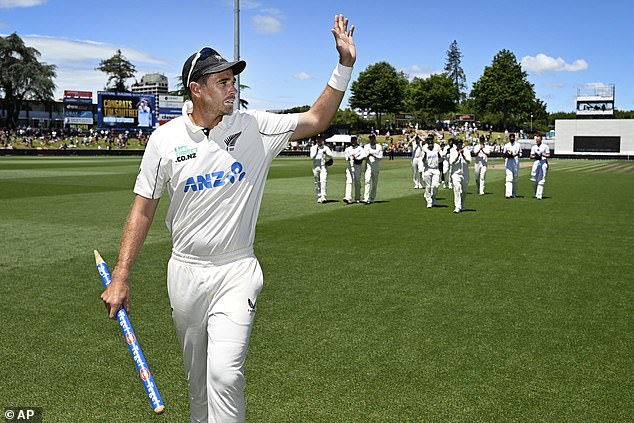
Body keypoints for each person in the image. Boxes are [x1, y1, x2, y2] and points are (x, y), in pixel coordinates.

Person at [100, 15, 356, 423]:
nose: (233, 89)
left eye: (233, 81)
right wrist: (121, 274)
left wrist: (344, 64)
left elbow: (316, 119)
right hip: (184, 272)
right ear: (196, 89)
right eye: (223, 82)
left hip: (237, 269)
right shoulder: (164, 140)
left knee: (225, 374)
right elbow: (143, 208)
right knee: (198, 380)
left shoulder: (255, 127)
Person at [309, 133, 333, 203]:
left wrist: (326, 153)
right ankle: (319, 196)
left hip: (323, 166)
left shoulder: (326, 148)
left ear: (322, 139)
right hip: (316, 166)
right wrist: (316, 151)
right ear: (316, 140)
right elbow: (311, 157)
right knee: (317, 182)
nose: (319, 140)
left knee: (323, 181)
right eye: (318, 139)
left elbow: (331, 156)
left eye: (320, 139)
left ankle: (323, 196)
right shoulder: (313, 148)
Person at [450, 138, 471, 213]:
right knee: (457, 189)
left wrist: (463, 155)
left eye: (460, 143)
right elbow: (452, 162)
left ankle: (462, 204)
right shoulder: (452, 151)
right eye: (458, 143)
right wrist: (458, 154)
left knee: (464, 191)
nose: (459, 145)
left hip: (465, 174)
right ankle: (457, 207)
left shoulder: (467, 151)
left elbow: (469, 161)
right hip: (456, 174)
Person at [343, 134, 366, 203]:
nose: (353, 141)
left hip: (357, 166)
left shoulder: (360, 149)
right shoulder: (348, 149)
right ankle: (348, 197)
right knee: (349, 181)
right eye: (352, 140)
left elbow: (363, 156)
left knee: (357, 182)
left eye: (354, 139)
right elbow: (346, 157)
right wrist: (350, 158)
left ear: (356, 140)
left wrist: (357, 158)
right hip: (350, 167)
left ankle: (357, 197)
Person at [421, 134, 441, 208]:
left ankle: (433, 197)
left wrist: (439, 154)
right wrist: (425, 156)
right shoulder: (424, 148)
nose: (430, 144)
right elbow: (422, 160)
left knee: (435, 185)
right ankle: (429, 201)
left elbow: (440, 157)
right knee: (428, 186)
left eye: (431, 143)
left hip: (435, 169)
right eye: (429, 143)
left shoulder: (437, 147)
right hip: (427, 169)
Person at [363, 132, 383, 203]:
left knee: (374, 183)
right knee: (367, 181)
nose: (371, 140)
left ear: (374, 139)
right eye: (370, 138)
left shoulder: (379, 147)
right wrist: (367, 156)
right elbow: (364, 156)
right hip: (368, 166)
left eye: (372, 138)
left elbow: (380, 157)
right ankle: (366, 198)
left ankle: (372, 198)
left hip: (376, 167)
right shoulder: (366, 146)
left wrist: (373, 154)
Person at [529, 135, 550, 199]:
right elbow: (531, 156)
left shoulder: (545, 146)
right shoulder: (534, 147)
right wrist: (535, 156)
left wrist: (542, 155)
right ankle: (537, 192)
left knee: (541, 179)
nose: (537, 141)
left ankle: (539, 195)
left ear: (541, 140)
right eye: (536, 140)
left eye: (538, 140)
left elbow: (548, 154)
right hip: (536, 163)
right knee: (533, 179)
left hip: (543, 163)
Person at [502, 132, 521, 198]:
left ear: (514, 138)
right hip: (508, 163)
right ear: (509, 138)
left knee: (515, 179)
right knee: (509, 178)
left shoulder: (518, 145)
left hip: (515, 163)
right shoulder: (506, 145)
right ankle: (508, 194)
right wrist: (508, 155)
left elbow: (520, 153)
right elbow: (503, 155)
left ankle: (514, 193)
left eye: (513, 137)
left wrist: (515, 154)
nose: (512, 138)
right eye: (511, 137)